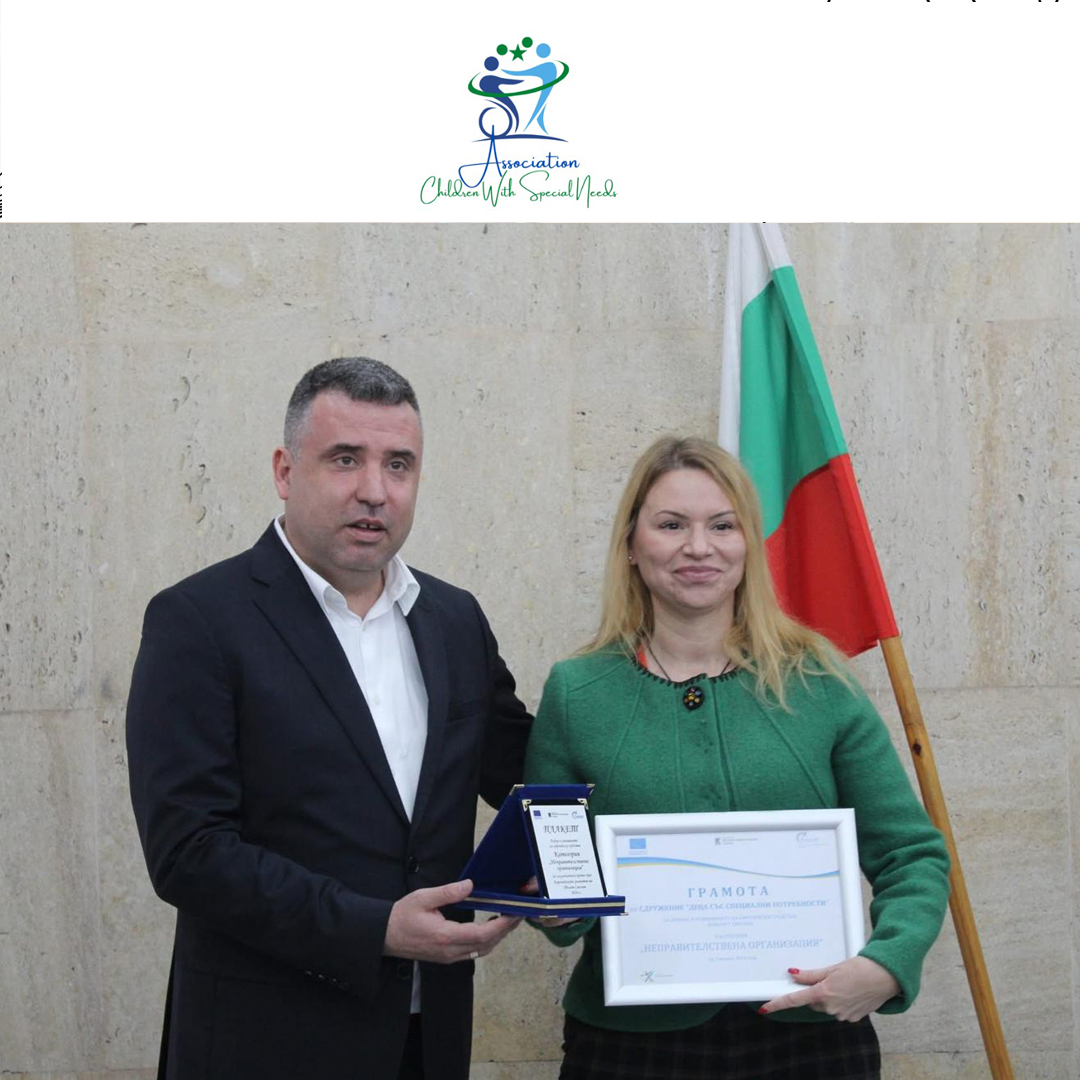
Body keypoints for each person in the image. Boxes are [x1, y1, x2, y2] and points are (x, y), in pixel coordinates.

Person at [126, 357, 532, 1080]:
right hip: (266, 1043)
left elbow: (526, 772)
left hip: (429, 1038)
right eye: (345, 459)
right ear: (285, 471)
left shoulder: (454, 619)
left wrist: (563, 873)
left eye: (398, 465)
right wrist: (374, 928)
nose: (375, 490)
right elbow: (188, 851)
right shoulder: (198, 620)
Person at [524, 435, 950, 1080]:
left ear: (750, 544)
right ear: (631, 545)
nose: (699, 547)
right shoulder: (577, 692)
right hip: (629, 1044)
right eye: (672, 525)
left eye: (722, 526)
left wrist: (886, 964)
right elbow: (557, 875)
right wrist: (556, 905)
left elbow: (910, 854)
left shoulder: (819, 682)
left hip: (809, 1038)